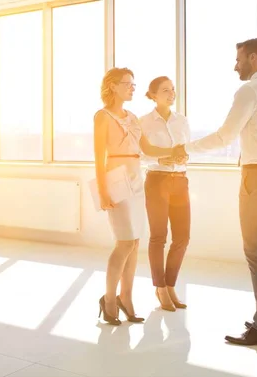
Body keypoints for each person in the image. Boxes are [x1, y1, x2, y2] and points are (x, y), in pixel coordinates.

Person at [172, 38, 257, 346]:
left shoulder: (250, 90)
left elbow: (225, 136)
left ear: (254, 59)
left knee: (256, 251)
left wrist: (184, 149)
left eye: (239, 59)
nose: (235, 65)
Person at [94, 67, 172, 325]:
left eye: (133, 84)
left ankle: (126, 297)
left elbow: (146, 148)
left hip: (137, 181)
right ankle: (109, 298)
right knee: (124, 242)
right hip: (116, 181)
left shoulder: (133, 117)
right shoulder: (102, 116)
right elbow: (98, 157)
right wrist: (103, 191)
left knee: (136, 241)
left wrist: (172, 152)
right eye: (127, 83)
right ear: (113, 86)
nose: (132, 88)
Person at [139, 76, 191, 311]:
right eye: (165, 90)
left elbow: (187, 148)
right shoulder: (143, 122)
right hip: (157, 180)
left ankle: (170, 285)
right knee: (158, 237)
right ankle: (160, 288)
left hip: (180, 181)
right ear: (153, 95)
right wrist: (162, 157)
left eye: (173, 90)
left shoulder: (182, 121)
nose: (171, 94)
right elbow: (140, 155)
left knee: (182, 237)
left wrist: (183, 156)